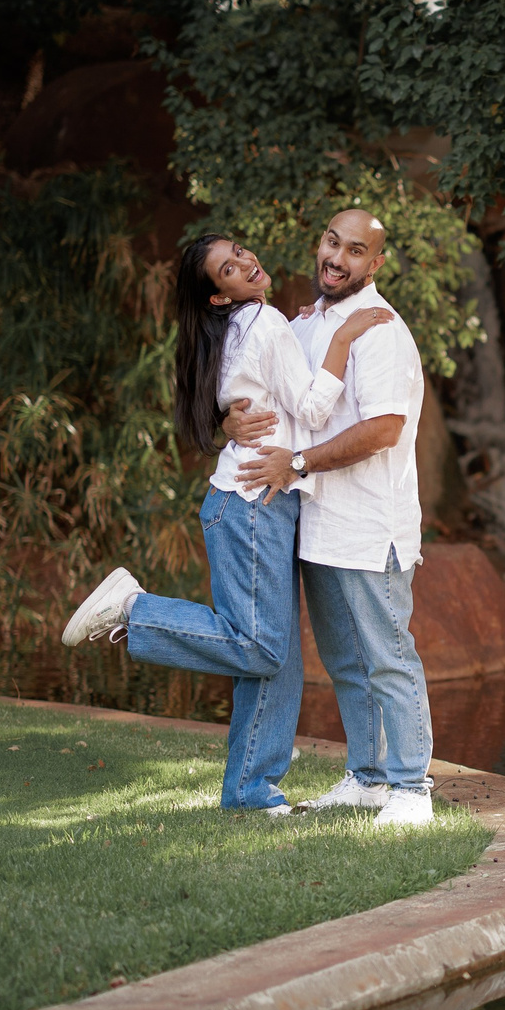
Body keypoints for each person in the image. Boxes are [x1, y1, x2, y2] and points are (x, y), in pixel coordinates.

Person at [57, 232, 393, 814]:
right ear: (219, 296)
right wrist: (340, 336)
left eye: (239, 253)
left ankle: (250, 792)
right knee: (262, 647)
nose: (245, 263)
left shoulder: (250, 325)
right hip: (252, 504)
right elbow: (312, 408)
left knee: (276, 658)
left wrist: (309, 322)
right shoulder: (259, 324)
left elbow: (256, 389)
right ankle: (136, 611)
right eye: (228, 269)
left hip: (256, 500)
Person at [222, 208, 436, 827]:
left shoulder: (381, 331)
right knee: (346, 662)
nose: (337, 259)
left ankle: (411, 787)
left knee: (388, 655)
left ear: (376, 263)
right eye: (331, 243)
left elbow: (385, 429)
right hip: (318, 525)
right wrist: (231, 423)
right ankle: (368, 779)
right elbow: (275, 401)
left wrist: (297, 463)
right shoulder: (307, 323)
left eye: (355, 251)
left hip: (371, 526)